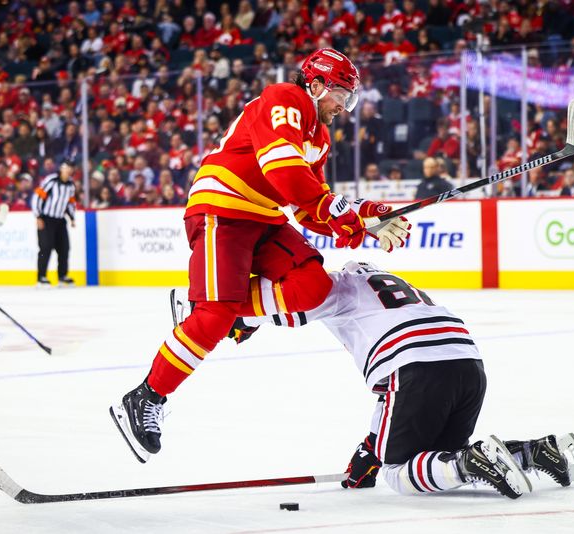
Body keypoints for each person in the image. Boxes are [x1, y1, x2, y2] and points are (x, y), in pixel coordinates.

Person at [110, 48, 411, 463]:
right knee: (214, 316)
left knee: (312, 286)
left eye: (350, 97)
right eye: (342, 93)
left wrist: (365, 216)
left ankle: (223, 309)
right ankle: (146, 396)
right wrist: (337, 211)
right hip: (223, 208)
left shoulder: (318, 138)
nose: (345, 106)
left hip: (264, 219)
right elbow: (283, 170)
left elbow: (309, 208)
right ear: (317, 84)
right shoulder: (285, 98)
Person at [202, 261, 574, 497]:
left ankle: (473, 460)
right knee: (439, 459)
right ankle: (537, 451)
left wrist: (239, 319)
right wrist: (372, 445)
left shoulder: (340, 285)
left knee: (399, 473)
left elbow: (290, 305)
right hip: (468, 363)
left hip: (414, 367)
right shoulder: (404, 287)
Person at [32, 158, 77, 287]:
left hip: (60, 220)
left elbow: (70, 202)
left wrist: (72, 218)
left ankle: (62, 276)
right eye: (66, 167)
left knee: (64, 248)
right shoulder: (51, 180)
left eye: (71, 167)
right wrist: (38, 216)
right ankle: (41, 277)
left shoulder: (70, 185)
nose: (69, 170)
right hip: (46, 219)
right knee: (45, 248)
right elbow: (38, 197)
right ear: (61, 168)